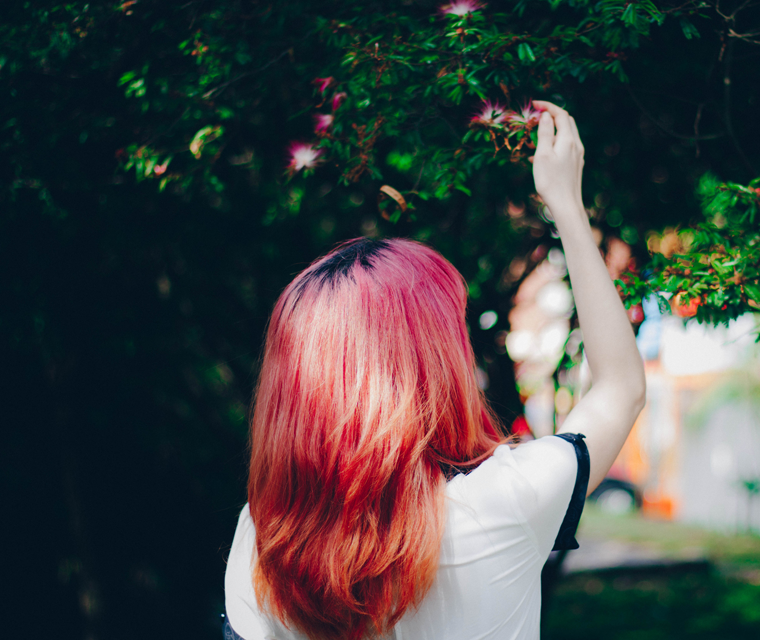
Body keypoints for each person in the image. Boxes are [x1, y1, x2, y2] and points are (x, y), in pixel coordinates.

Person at [223, 101, 647, 640]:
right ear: (434, 366)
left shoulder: (263, 535)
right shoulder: (505, 500)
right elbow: (621, 388)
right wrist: (565, 204)